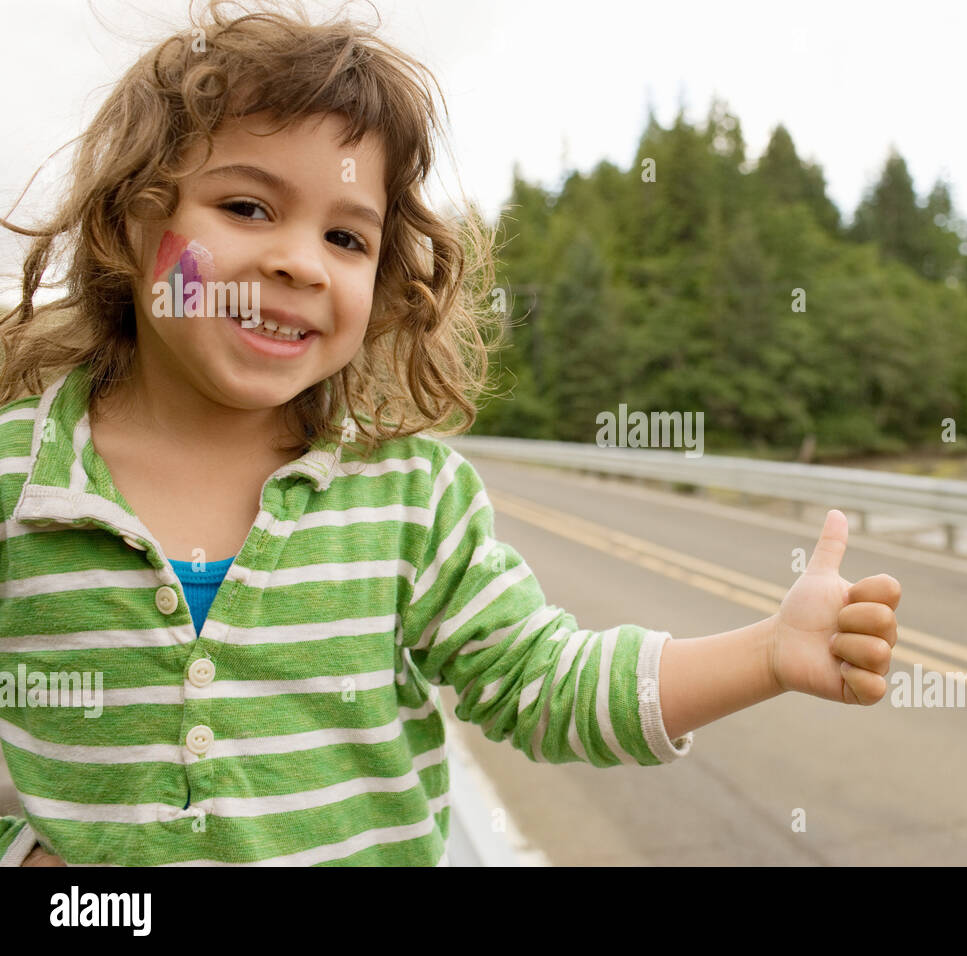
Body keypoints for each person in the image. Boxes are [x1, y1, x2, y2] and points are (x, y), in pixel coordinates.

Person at [0, 0, 899, 867]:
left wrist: (767, 654)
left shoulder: (408, 494)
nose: (300, 262)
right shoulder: (17, 477)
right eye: (247, 207)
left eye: (348, 238)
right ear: (130, 220)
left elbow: (544, 683)